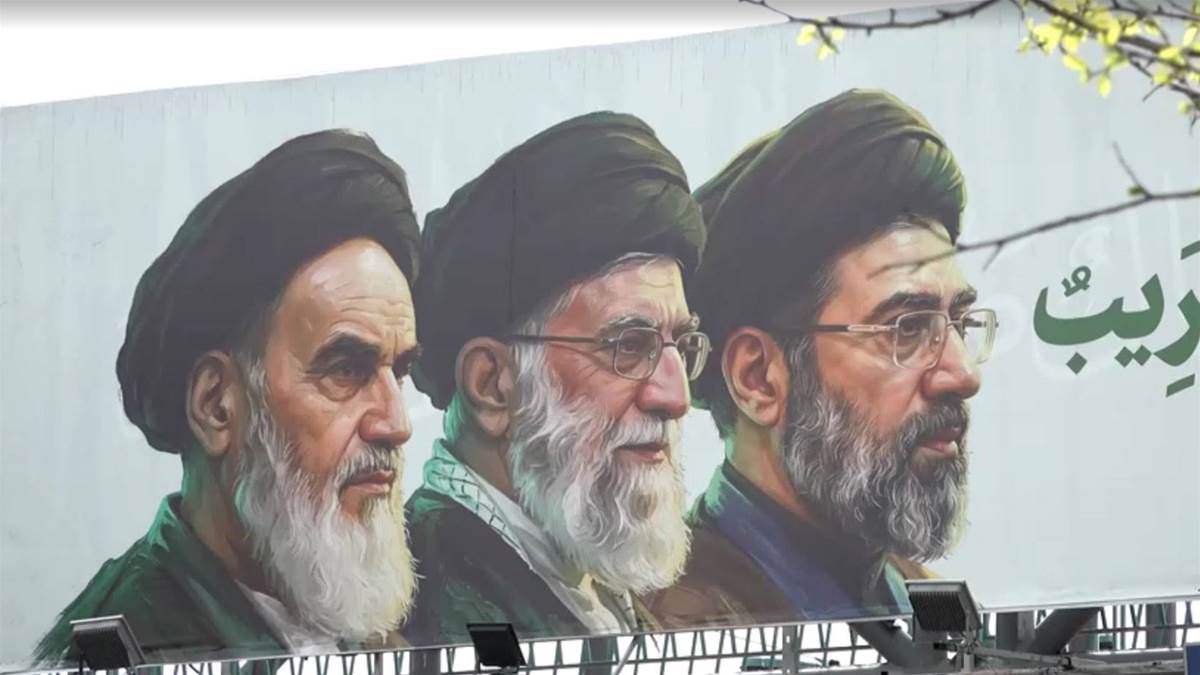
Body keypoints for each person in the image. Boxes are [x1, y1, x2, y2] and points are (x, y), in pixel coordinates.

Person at [34, 130, 423, 664]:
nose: (396, 423)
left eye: (398, 371)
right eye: (346, 371)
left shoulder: (351, 619)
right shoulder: (122, 648)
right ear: (217, 405)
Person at [651, 90, 996, 627]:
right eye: (907, 328)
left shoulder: (917, 593)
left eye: (960, 322)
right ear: (758, 378)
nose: (963, 374)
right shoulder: (675, 630)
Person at [403, 111, 709, 646]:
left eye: (681, 346)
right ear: (493, 385)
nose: (676, 396)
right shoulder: (434, 605)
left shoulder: (583, 566)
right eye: (628, 346)